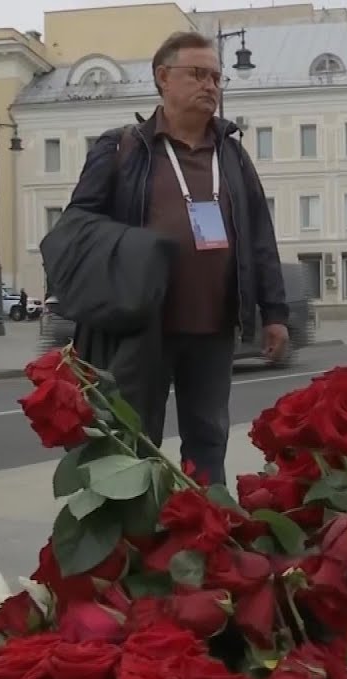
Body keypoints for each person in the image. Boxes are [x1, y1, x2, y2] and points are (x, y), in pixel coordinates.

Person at [62, 31, 288, 487]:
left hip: (214, 328)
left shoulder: (232, 153)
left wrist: (275, 312)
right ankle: (137, 541)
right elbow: (79, 221)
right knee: (134, 441)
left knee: (208, 439)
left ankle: (207, 538)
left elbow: (260, 235)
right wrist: (137, 250)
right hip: (142, 326)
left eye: (217, 77)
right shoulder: (122, 148)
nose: (211, 85)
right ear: (163, 78)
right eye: (198, 74)